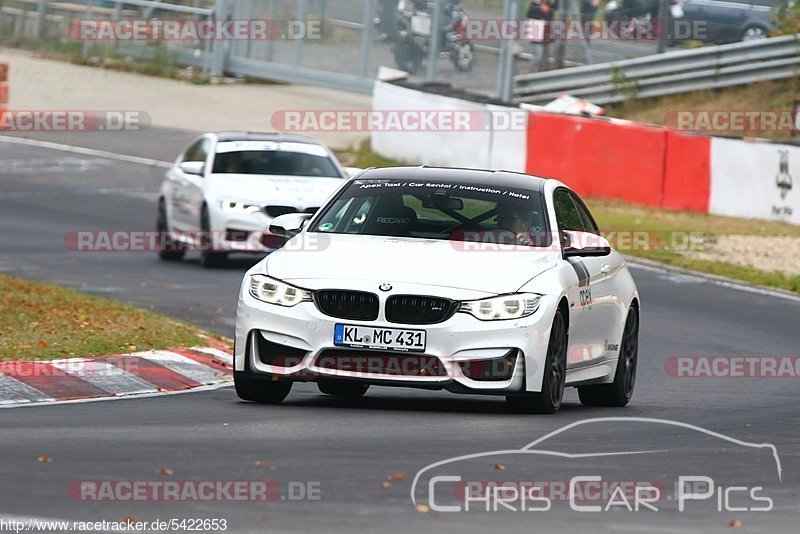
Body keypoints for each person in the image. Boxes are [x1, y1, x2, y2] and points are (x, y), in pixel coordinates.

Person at [527, 0, 557, 71]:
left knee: (545, 54)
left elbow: (556, 8)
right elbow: (529, 15)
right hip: (537, 31)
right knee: (538, 53)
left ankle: (541, 70)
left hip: (546, 32)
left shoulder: (550, 4)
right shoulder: (535, 5)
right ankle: (533, 70)